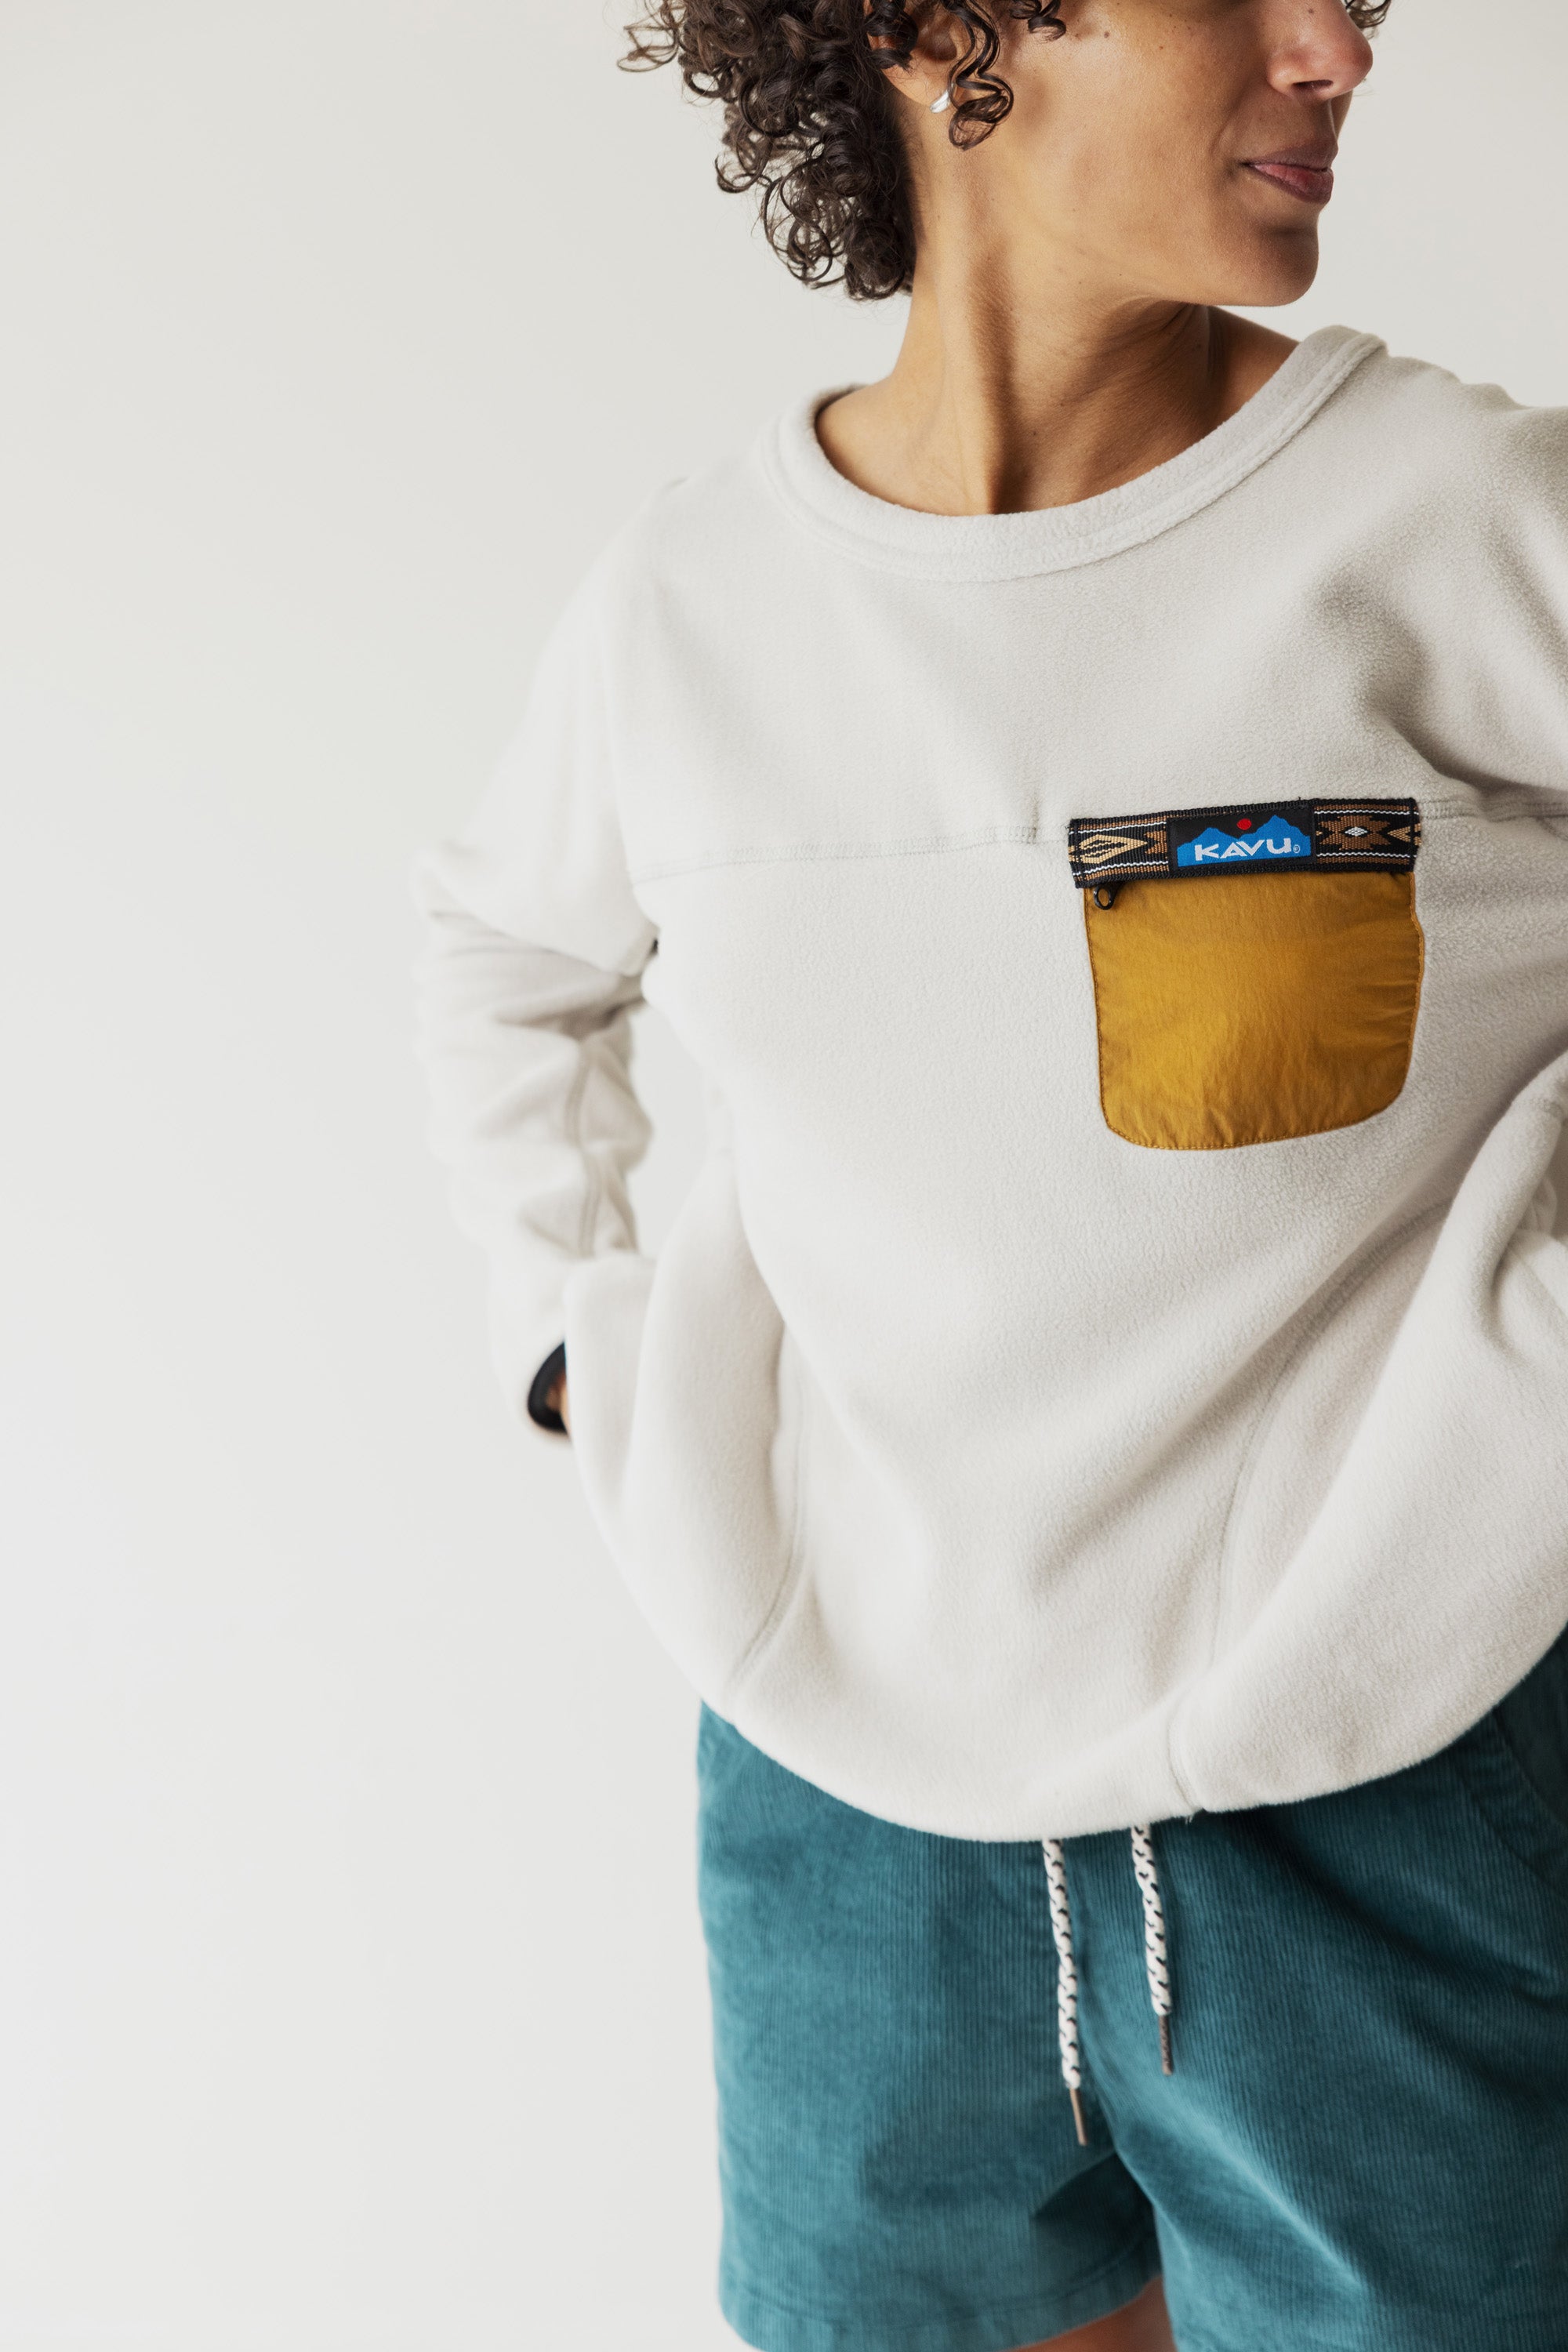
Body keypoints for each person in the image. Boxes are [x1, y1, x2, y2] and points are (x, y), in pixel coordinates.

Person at [413, 0, 1568, 2343]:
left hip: (1406, 1771)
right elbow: (504, 955)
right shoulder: (695, 604)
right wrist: (569, 1334)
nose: (1338, 49)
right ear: (942, 25)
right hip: (844, 1811)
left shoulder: (1468, 521)